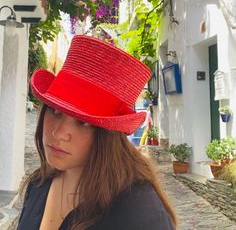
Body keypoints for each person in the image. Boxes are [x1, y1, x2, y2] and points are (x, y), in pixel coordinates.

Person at [17, 35, 177, 230]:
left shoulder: (137, 211)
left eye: (83, 122)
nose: (59, 133)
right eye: (55, 110)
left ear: (108, 135)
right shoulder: (38, 184)